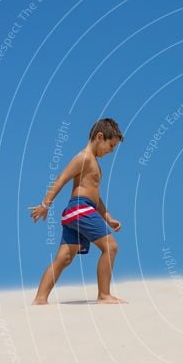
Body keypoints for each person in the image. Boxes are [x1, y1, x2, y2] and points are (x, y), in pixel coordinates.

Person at [29, 118, 126, 305]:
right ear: (99, 137)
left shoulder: (95, 164)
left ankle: (40, 299)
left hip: (78, 212)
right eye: (111, 145)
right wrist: (45, 204)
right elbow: (61, 179)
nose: (111, 151)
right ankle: (104, 295)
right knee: (111, 247)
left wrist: (108, 217)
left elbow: (96, 197)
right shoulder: (83, 158)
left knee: (64, 257)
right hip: (80, 209)